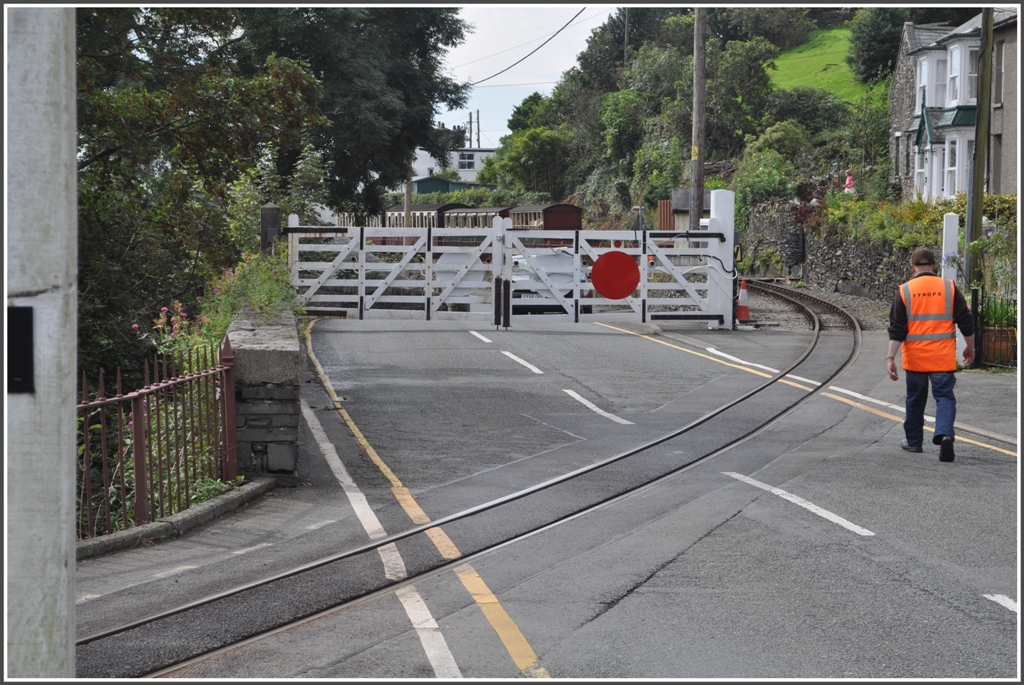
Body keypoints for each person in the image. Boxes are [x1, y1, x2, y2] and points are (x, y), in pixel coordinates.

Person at [886, 248, 975, 462]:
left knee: (915, 399)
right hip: (942, 357)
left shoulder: (905, 290)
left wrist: (890, 359)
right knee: (944, 397)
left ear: (912, 267)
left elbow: (897, 328)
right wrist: (970, 348)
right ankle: (944, 434)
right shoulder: (949, 288)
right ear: (934, 266)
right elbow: (966, 321)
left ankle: (914, 442)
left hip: (915, 358)